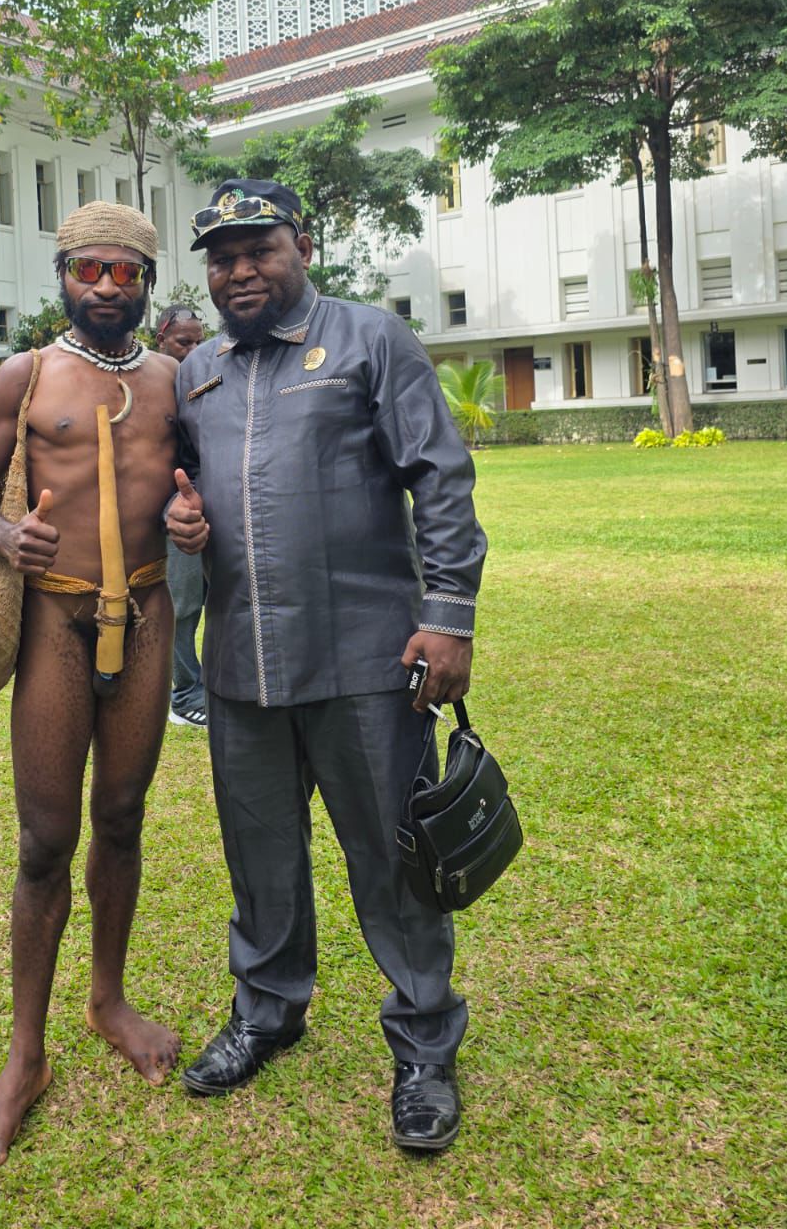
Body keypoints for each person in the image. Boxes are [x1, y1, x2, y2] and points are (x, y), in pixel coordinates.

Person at [167, 179, 487, 1154]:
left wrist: (449, 616)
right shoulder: (198, 374)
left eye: (257, 247)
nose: (239, 269)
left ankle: (424, 1044)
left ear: (301, 244)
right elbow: (184, 499)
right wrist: (176, 525)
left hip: (365, 656)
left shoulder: (367, 340)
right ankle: (269, 1010)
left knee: (392, 858)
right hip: (241, 664)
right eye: (221, 256)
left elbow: (439, 475)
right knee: (260, 858)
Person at [0, 201, 180, 1167]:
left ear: (146, 284)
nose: (105, 289)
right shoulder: (26, 375)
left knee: (122, 817)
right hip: (53, 614)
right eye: (90, 270)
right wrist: (4, 533)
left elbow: (196, 483)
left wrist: (195, 511)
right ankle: (24, 1056)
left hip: (151, 610)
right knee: (46, 841)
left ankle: (108, 999)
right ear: (62, 276)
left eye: (125, 274)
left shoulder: (177, 380)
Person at [154, 306, 208, 728]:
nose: (193, 350)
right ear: (162, 340)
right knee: (183, 604)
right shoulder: (154, 385)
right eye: (183, 342)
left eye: (198, 341)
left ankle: (210, 687)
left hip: (214, 507)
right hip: (174, 510)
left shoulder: (209, 380)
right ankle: (184, 694)